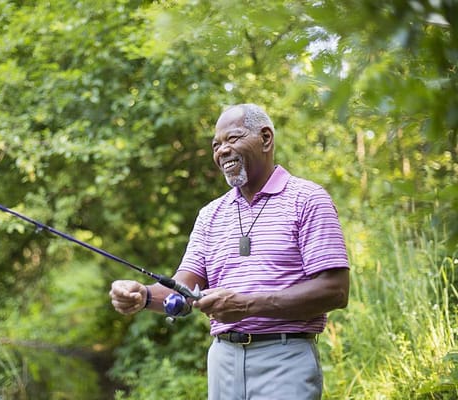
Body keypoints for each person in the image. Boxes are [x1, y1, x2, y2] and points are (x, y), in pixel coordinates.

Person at [109, 103, 350, 399]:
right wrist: (143, 295)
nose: (222, 150)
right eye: (216, 145)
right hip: (222, 360)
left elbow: (335, 291)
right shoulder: (211, 214)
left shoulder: (309, 199)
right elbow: (185, 289)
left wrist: (247, 305)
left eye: (232, 139)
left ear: (265, 138)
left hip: (285, 359)